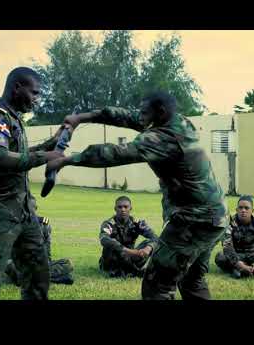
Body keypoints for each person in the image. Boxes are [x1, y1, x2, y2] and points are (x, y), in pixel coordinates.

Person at [47, 91, 229, 300]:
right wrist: (82, 118)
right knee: (191, 280)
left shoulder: (163, 139)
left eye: (144, 112)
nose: (139, 117)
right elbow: (128, 117)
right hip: (215, 218)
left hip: (193, 220)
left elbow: (114, 153)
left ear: (159, 113)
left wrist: (66, 160)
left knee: (157, 286)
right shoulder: (179, 122)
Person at [0, 67, 66, 300]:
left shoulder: (13, 118)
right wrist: (45, 157)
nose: (36, 100)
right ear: (17, 87)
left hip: (24, 213)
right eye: (34, 93)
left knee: (38, 278)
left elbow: (20, 155)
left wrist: (51, 144)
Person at [3, 213, 74, 286]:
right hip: (15, 265)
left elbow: (47, 259)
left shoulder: (43, 226)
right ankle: (56, 278)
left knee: (67, 263)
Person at [99, 196, 158, 278]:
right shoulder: (109, 224)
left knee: (150, 243)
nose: (123, 210)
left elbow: (154, 237)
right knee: (110, 243)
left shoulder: (137, 223)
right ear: (115, 209)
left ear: (130, 208)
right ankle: (133, 271)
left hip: (131, 258)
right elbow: (103, 239)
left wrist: (148, 248)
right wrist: (128, 251)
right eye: (120, 207)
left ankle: (129, 271)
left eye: (126, 207)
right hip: (112, 261)